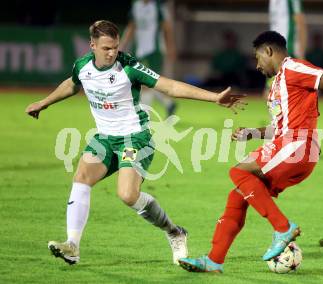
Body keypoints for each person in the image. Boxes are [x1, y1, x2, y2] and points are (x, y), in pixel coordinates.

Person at [24, 20, 245, 266]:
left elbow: (169, 86)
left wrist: (214, 97)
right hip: (105, 138)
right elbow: (72, 84)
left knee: (128, 195)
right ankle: (72, 245)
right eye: (106, 48)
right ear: (92, 45)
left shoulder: (128, 67)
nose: (112, 53)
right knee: (81, 178)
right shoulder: (82, 66)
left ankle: (174, 232)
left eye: (115, 47)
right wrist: (44, 102)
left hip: (134, 138)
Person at [178, 31, 323, 273]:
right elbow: (279, 127)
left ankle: (282, 228)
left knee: (238, 172)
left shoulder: (293, 68)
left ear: (269, 51)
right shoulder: (280, 81)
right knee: (238, 195)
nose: (257, 65)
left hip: (298, 145)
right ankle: (214, 260)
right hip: (291, 146)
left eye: (258, 58)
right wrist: (252, 133)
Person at [119, 0, 177, 117]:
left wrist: (170, 47)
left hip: (154, 51)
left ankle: (145, 117)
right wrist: (121, 45)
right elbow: (131, 27)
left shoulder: (158, 7)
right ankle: (168, 103)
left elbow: (167, 28)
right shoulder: (136, 5)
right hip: (139, 51)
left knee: (145, 82)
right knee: (142, 82)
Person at [263, 0, 308, 98]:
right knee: (271, 92)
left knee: (284, 91)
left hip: (287, 48)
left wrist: (302, 52)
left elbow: (300, 21)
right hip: (275, 49)